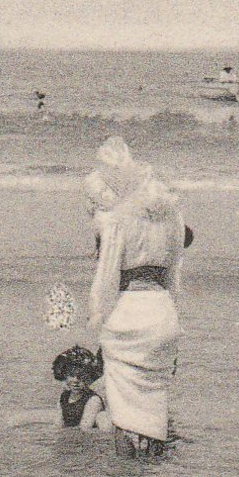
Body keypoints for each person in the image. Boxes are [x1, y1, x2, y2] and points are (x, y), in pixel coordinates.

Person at [89, 137, 185, 459]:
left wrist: (98, 318)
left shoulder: (119, 220)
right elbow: (175, 275)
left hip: (129, 311)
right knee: (155, 404)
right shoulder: (172, 218)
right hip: (162, 312)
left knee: (123, 412)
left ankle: (129, 474)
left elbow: (107, 277)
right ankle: (153, 473)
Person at [52, 346, 109, 429]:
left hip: (88, 438)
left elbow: (85, 427)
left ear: (89, 378)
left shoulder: (93, 400)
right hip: (71, 435)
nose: (76, 381)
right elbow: (57, 424)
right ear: (65, 376)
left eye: (80, 376)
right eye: (71, 375)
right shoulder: (64, 397)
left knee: (102, 416)